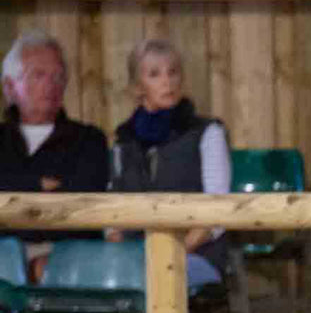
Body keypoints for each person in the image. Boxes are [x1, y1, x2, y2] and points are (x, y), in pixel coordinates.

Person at [109, 38, 232, 291]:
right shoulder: (124, 140)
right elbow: (112, 211)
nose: (167, 81)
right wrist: (118, 248)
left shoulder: (207, 132)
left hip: (196, 253)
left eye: (173, 72)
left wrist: (172, 253)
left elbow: (217, 213)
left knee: (154, 278)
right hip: (134, 256)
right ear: (137, 87)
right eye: (155, 74)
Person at [0, 32, 109, 281]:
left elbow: (81, 206)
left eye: (59, 76)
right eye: (38, 75)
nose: (52, 84)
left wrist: (13, 193)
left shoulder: (88, 139)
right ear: (9, 86)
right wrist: (37, 185)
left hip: (66, 254)